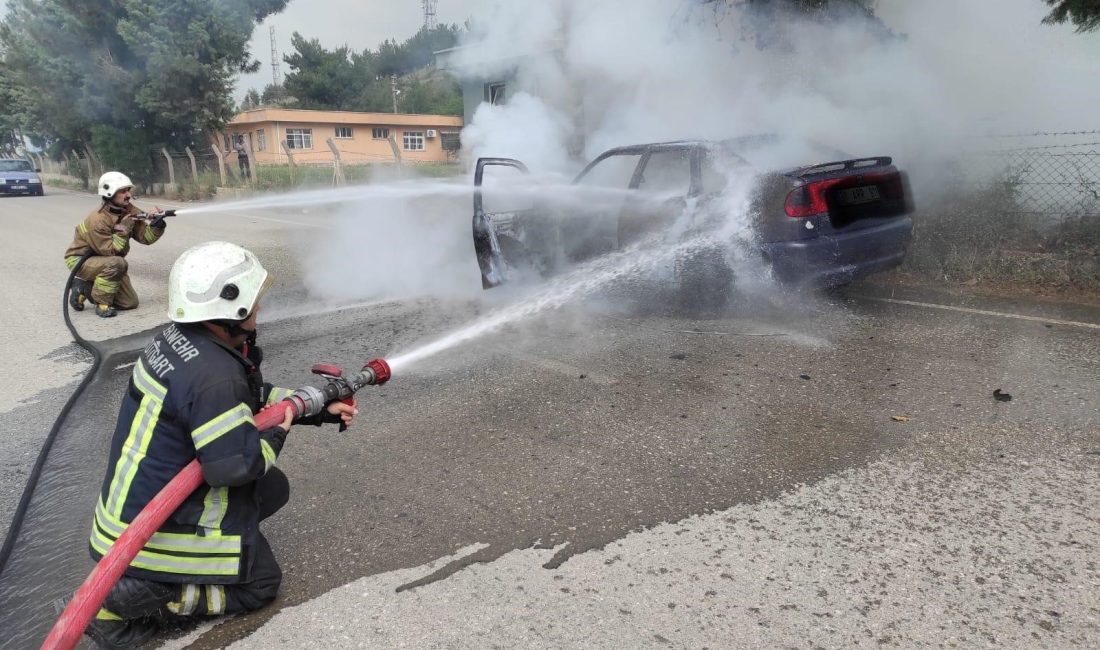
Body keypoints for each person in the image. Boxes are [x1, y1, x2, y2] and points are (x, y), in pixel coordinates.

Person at [83, 242, 358, 649]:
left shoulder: (181, 342)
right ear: (234, 307)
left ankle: (165, 572)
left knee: (272, 488)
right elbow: (235, 466)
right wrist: (277, 432)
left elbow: (248, 399)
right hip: (148, 539)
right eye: (255, 300)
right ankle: (128, 600)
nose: (260, 306)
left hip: (123, 521)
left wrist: (316, 408)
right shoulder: (214, 375)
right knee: (261, 585)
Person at [64, 171, 168, 318]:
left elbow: (146, 238)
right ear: (109, 193)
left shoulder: (129, 211)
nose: (128, 195)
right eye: (122, 191)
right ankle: (102, 304)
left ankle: (85, 288)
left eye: (128, 190)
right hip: (80, 260)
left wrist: (157, 225)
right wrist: (124, 228)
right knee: (118, 263)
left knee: (129, 303)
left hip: (107, 261)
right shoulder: (97, 219)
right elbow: (110, 251)